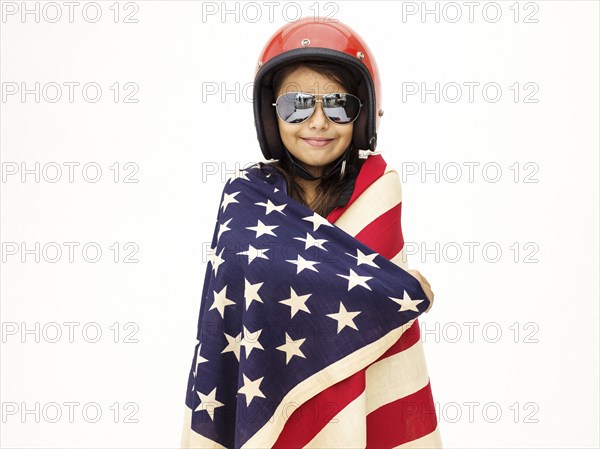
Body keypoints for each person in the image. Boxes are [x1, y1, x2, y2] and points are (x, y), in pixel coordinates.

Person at [181, 16, 442, 448]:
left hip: (350, 406)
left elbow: (371, 314)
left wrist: (389, 289)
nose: (318, 122)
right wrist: (397, 288)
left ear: (362, 115)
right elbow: (236, 311)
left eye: (338, 105)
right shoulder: (242, 197)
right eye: (296, 105)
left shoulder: (377, 188)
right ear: (271, 116)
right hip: (261, 395)